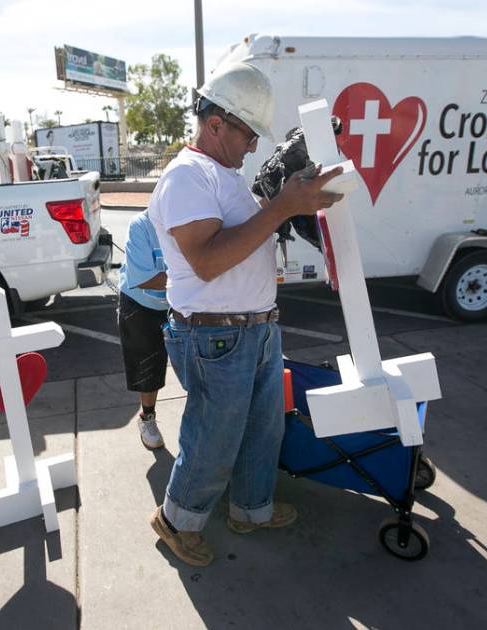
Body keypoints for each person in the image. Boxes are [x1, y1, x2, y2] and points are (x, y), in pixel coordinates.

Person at [146, 61, 344, 566]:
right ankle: (176, 520)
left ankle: (250, 509)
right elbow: (208, 261)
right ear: (216, 124)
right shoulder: (187, 177)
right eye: (248, 133)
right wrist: (280, 207)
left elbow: (246, 233)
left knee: (262, 427)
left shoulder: (223, 176)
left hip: (252, 328)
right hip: (214, 336)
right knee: (213, 438)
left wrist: (278, 199)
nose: (255, 146)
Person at [117, 211, 170, 449]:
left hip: (177, 302)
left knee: (195, 364)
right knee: (148, 367)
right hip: (140, 303)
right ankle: (147, 417)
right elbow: (143, 278)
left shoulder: (191, 220)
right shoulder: (141, 225)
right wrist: (197, 276)